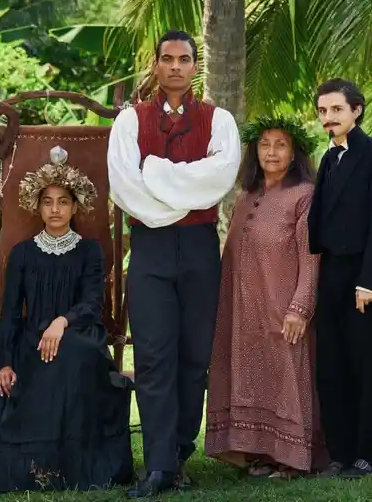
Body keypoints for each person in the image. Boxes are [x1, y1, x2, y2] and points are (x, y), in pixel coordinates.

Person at [107, 29, 242, 497]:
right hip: (150, 249)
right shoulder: (130, 121)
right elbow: (125, 187)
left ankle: (180, 453)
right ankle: (159, 466)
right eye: (168, 59)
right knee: (153, 358)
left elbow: (218, 178)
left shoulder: (219, 120)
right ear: (156, 64)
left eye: (184, 59)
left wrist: (156, 174)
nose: (176, 67)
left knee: (194, 358)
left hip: (201, 249)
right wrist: (181, 194)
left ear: (195, 66)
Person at [0, 146, 134, 493]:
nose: (55, 209)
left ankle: (73, 467)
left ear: (75, 206)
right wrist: (5, 363)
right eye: (48, 202)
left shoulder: (89, 251)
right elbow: (10, 314)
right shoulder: (23, 254)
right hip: (33, 340)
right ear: (38, 206)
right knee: (43, 360)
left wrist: (62, 322)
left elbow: (92, 304)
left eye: (63, 202)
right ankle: (39, 467)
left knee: (71, 352)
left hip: (81, 334)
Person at [205, 116, 329, 479]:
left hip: (283, 307)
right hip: (241, 310)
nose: (271, 152)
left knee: (286, 376)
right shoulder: (246, 197)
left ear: (294, 153)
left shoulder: (304, 196)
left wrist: (300, 308)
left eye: (280, 145)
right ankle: (260, 453)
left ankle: (293, 459)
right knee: (248, 377)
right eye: (264, 145)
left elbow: (312, 256)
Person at [308, 78, 372, 479]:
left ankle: (369, 457)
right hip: (332, 274)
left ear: (356, 110)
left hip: (366, 277)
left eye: (336, 110)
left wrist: (371, 281)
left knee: (368, 368)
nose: (328, 118)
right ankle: (341, 455)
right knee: (332, 367)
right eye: (323, 111)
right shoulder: (329, 159)